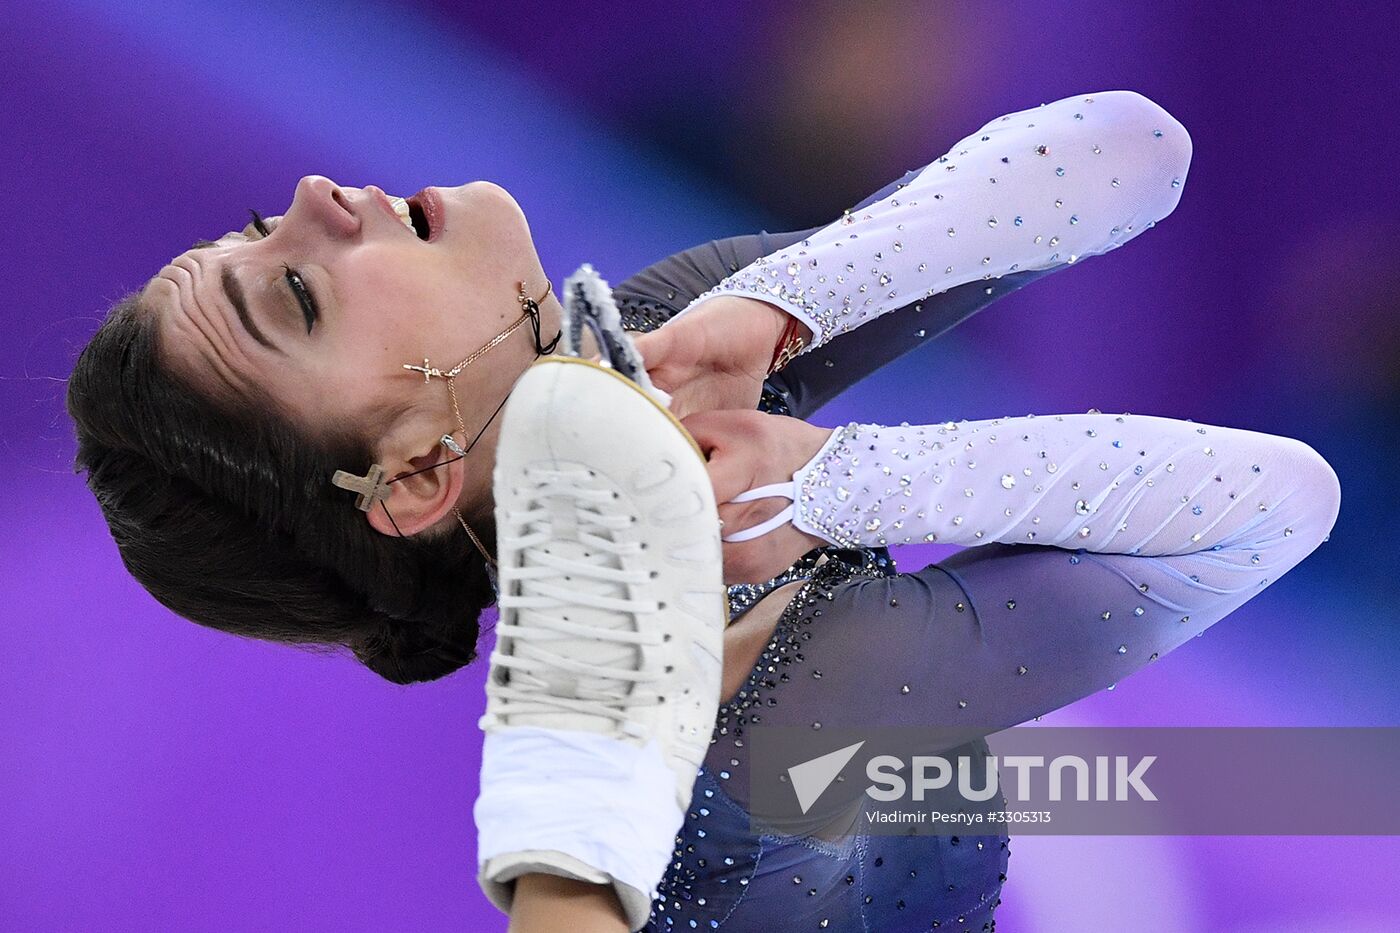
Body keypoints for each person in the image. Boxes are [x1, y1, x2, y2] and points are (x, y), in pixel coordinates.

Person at [64, 89, 1341, 931]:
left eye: (251, 229)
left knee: (1305, 792)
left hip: (985, 838)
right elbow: (1278, 505)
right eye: (297, 297)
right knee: (1319, 795)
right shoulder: (765, 708)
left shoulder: (661, 348)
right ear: (412, 475)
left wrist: (788, 300)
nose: (308, 198)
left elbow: (1131, 155)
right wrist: (836, 480)